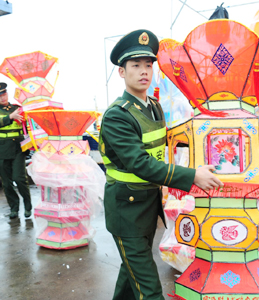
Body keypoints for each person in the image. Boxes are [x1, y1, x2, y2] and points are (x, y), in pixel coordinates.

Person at [99, 29, 223, 300]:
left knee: (130, 274)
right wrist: (191, 176)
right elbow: (140, 163)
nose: (144, 71)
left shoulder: (152, 106)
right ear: (122, 72)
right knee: (150, 289)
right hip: (126, 210)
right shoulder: (116, 116)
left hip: (147, 205)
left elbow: (164, 143)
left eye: (148, 65)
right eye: (135, 65)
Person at [0, 82, 32, 219]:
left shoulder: (18, 108)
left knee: (20, 178)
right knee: (6, 182)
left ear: (7, 93)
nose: (2, 97)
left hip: (18, 147)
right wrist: (10, 117)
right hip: (1, 149)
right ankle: (14, 208)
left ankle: (28, 206)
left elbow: (28, 126)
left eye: (4, 94)